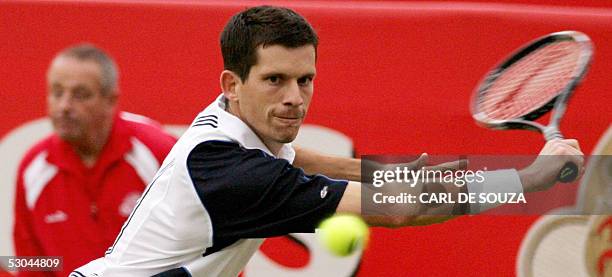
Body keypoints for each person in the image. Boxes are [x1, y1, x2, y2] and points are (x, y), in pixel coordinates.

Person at [72, 6, 584, 276]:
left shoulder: (230, 123)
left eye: (305, 79)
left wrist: (396, 174)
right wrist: (527, 179)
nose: (295, 98)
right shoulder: (236, 173)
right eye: (275, 80)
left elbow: (309, 159)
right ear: (233, 82)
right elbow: (401, 212)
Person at [13, 44, 177, 276]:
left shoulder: (159, 152)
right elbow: (30, 262)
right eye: (57, 92)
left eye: (80, 95)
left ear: (111, 100)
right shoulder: (33, 169)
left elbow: (209, 240)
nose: (64, 106)